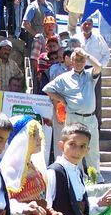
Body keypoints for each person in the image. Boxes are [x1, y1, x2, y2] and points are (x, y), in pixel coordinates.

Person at [43, 48, 103, 182]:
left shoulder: (89, 74)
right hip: (73, 116)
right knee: (74, 147)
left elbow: (99, 66)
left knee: (92, 148)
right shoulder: (64, 77)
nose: (79, 62)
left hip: (89, 117)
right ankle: (77, 176)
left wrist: (85, 54)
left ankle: (96, 177)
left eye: (81, 60)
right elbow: (47, 89)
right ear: (71, 61)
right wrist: (62, 99)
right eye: (76, 60)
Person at [75, 17, 110, 134]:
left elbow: (106, 55)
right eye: (85, 23)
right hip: (79, 70)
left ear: (92, 25)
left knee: (96, 98)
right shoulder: (76, 38)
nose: (87, 26)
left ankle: (97, 126)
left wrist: (99, 67)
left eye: (89, 24)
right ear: (81, 24)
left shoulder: (98, 38)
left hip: (94, 70)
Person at [30, 16, 59, 93]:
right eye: (48, 25)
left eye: (52, 25)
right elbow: (34, 60)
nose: (50, 27)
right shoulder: (39, 38)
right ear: (43, 26)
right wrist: (40, 74)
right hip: (43, 74)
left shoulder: (58, 38)